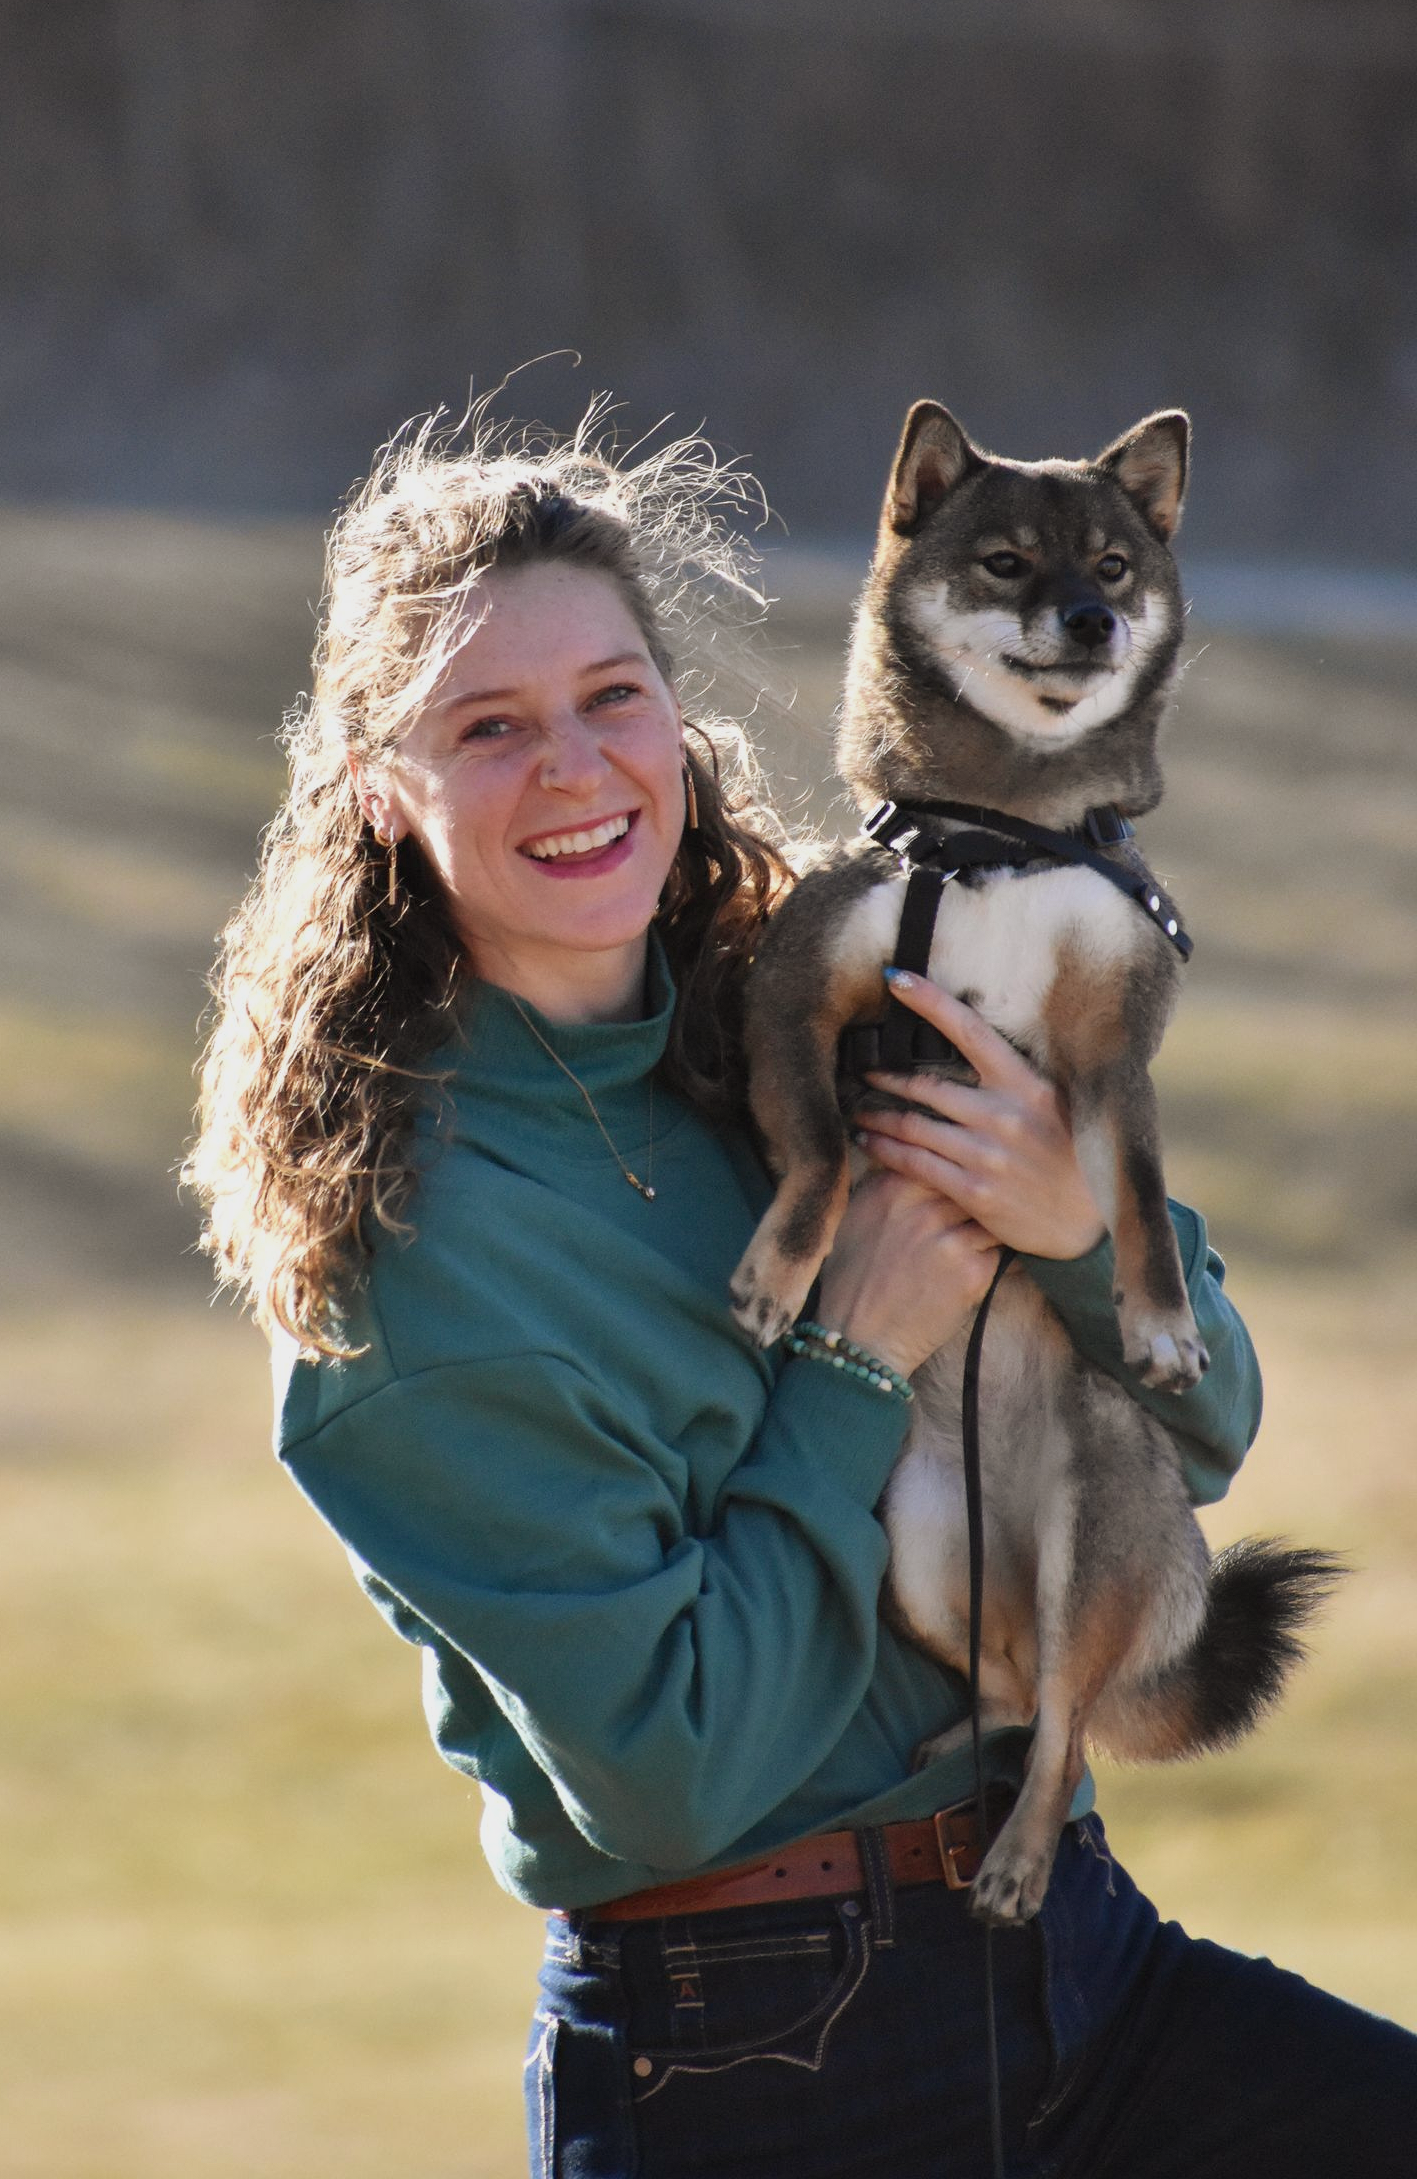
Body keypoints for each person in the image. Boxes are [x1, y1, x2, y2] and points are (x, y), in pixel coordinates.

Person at [187, 411, 1417, 2177]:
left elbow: (1203, 1422)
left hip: (1071, 1948)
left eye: (614, 696)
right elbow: (676, 1771)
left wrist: (1074, 1226)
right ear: (380, 782)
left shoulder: (797, 1016)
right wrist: (853, 1354)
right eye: (489, 727)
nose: (576, 765)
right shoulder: (406, 1276)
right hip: (757, 2054)